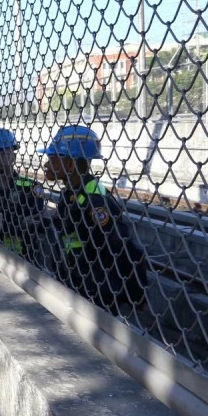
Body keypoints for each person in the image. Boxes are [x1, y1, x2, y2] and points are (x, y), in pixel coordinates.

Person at [38, 124, 150, 317]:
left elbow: (123, 248)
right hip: (76, 282)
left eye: (53, 158)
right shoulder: (72, 194)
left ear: (70, 165)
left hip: (97, 291)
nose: (46, 165)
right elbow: (63, 226)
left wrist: (137, 295)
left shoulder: (95, 202)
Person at [0, 128, 47, 256]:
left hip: (23, 255)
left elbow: (32, 223)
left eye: (1, 153)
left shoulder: (30, 188)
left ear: (13, 156)